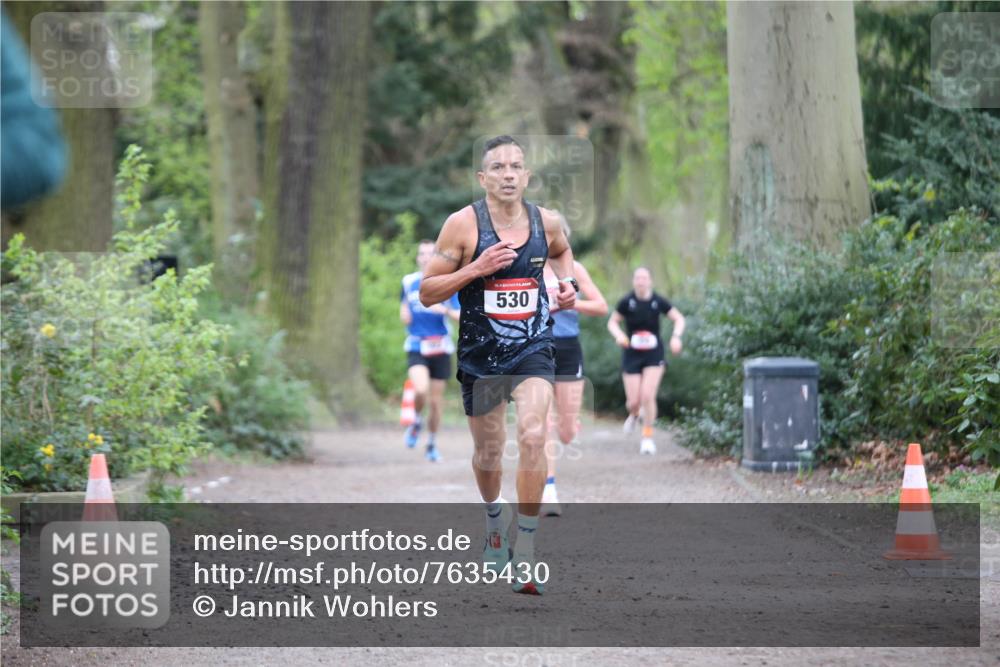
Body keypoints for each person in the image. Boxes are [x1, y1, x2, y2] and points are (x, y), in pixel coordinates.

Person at [420, 135, 577, 595]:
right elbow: (428, 293)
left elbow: (564, 253)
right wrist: (476, 268)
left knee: (533, 433)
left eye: (516, 166)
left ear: (526, 176)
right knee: (489, 454)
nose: (508, 174)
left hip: (533, 349)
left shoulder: (545, 222)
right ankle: (494, 517)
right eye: (499, 167)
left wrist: (567, 287)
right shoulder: (462, 226)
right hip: (480, 355)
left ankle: (525, 549)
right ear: (483, 177)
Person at [540, 217, 607, 516]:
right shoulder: (530, 269)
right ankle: (549, 489)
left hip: (568, 347)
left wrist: (571, 303)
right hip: (537, 349)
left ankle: (570, 425)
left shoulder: (575, 270)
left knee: (565, 432)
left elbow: (601, 306)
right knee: (544, 423)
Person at [607, 267, 685, 455]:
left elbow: (679, 319)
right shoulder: (627, 302)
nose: (641, 281)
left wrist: (676, 337)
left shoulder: (658, 301)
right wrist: (619, 335)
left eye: (644, 278)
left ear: (650, 281)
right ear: (634, 281)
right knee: (633, 402)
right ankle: (634, 415)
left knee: (647, 396)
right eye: (638, 278)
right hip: (632, 353)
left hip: (654, 354)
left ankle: (647, 437)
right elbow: (612, 322)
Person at [400, 240, 461, 462]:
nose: (425, 257)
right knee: (420, 389)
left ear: (436, 257)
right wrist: (404, 315)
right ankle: (416, 421)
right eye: (422, 253)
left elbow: (459, 315)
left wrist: (443, 309)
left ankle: (432, 443)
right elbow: (404, 306)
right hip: (417, 343)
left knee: (435, 403)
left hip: (441, 346)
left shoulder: (446, 283)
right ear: (418, 257)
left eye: (430, 253)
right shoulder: (408, 282)